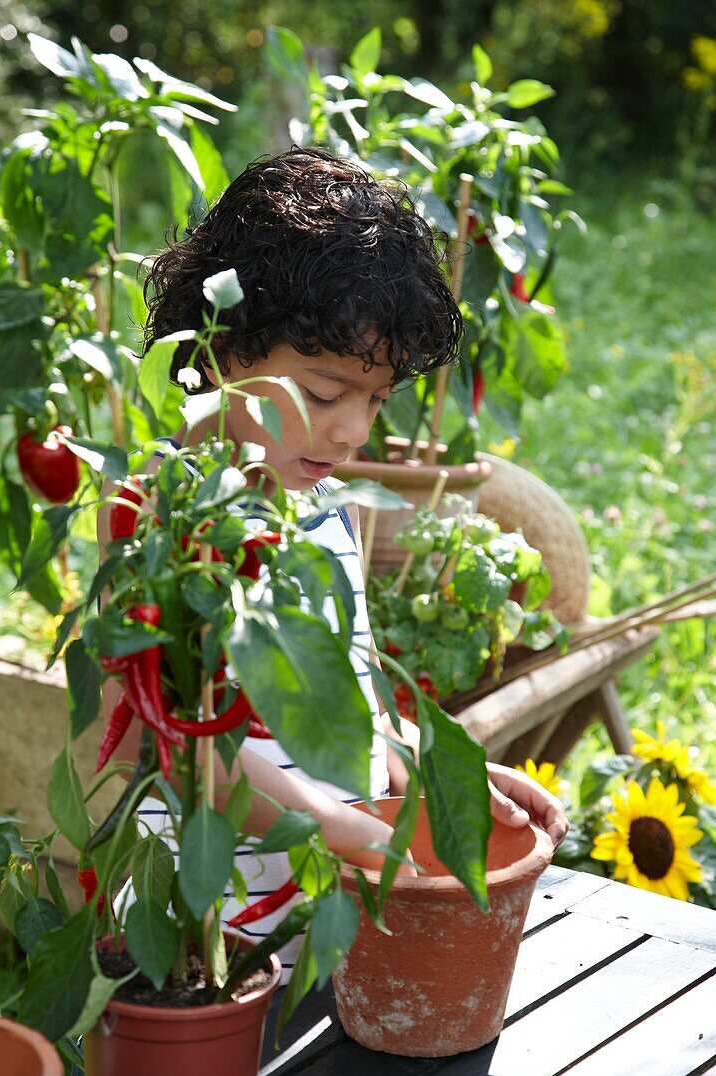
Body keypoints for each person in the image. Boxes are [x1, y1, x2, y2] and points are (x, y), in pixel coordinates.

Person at [98, 146, 569, 978]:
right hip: (197, 922)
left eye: (375, 399)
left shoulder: (328, 504)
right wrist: (325, 819)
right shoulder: (155, 507)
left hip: (323, 911)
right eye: (322, 394)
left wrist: (444, 772)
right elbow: (175, 737)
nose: (353, 430)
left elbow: (356, 707)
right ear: (221, 353)